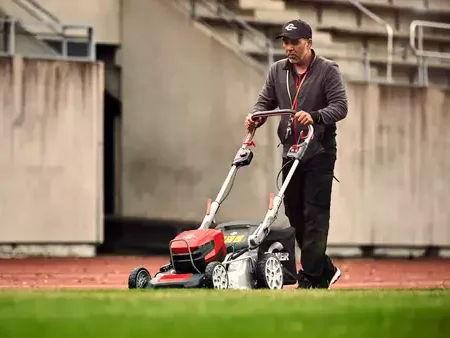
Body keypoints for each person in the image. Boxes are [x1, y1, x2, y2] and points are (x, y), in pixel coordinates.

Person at [245, 19, 348, 289]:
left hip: (319, 151)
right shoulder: (277, 71)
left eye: (294, 42)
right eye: (285, 42)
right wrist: (256, 117)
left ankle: (312, 277)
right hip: (291, 152)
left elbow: (340, 107)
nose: (288, 48)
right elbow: (265, 101)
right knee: (294, 213)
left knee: (315, 214)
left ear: (309, 43)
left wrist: (314, 116)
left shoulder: (328, 70)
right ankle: (323, 268)